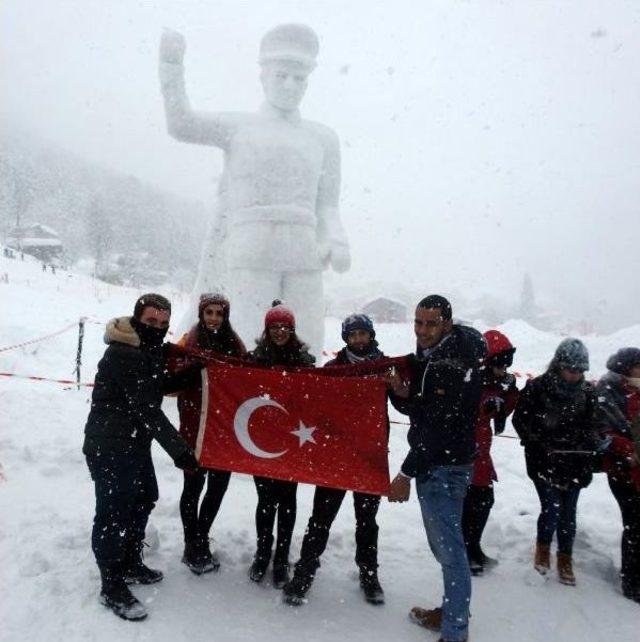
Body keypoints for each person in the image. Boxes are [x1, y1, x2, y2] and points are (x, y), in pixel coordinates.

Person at [159, 24, 350, 355]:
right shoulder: (239, 127)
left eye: (299, 77)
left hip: (304, 248)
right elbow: (181, 123)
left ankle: (300, 399)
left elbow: (327, 204)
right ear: (263, 76)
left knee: (307, 336)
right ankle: (246, 402)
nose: (290, 85)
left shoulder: (323, 138)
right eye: (281, 75)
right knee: (248, 337)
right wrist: (171, 68)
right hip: (252, 244)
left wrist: (336, 237)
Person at [83, 293, 199, 621]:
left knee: (146, 496)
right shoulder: (122, 353)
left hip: (134, 444)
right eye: (151, 322)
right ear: (137, 320)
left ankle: (131, 561)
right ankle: (111, 585)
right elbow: (146, 406)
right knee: (113, 513)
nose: (157, 329)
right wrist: (181, 452)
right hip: (109, 445)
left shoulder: (145, 349)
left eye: (163, 324)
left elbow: (153, 386)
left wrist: (188, 376)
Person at [386, 295, 485, 642]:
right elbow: (424, 411)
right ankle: (452, 612)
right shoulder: (439, 355)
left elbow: (435, 430)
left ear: (447, 324)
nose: (422, 330)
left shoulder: (449, 364)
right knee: (447, 548)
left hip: (443, 466)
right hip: (444, 462)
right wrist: (401, 393)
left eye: (430, 324)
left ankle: (455, 631)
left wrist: (404, 475)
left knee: (450, 550)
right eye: (418, 322)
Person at [283, 314, 387, 606]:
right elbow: (316, 407)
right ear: (346, 338)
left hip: (369, 455)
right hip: (337, 455)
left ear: (371, 334)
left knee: (367, 520)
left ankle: (369, 573)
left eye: (362, 334)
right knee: (320, 518)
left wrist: (395, 386)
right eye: (352, 335)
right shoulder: (333, 368)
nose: (358, 340)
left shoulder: (385, 367)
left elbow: (405, 401)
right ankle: (304, 571)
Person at [512, 338, 601, 586]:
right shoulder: (537, 387)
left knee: (569, 513)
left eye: (579, 371)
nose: (575, 375)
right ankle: (542, 549)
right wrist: (538, 440)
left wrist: (587, 443)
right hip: (545, 461)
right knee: (551, 509)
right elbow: (521, 420)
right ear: (558, 365)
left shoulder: (588, 393)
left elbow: (595, 426)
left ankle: (565, 557)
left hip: (575, 462)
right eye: (570, 370)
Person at [176, 293, 247, 575]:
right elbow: (173, 377)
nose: (214, 318)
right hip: (194, 428)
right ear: (201, 314)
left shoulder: (234, 344)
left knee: (217, 488)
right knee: (192, 487)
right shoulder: (188, 342)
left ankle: (201, 537)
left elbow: (248, 376)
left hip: (223, 431)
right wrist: (192, 368)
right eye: (209, 313)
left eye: (219, 313)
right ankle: (189, 542)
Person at [247, 301, 315, 588]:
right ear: (266, 329)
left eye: (285, 327)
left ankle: (281, 557)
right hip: (262, 442)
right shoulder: (253, 359)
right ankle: (263, 552)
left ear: (293, 329)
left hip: (291, 441)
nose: (279, 332)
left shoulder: (305, 361)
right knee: (265, 501)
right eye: (274, 327)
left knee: (287, 501)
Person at [462, 330, 519, 576]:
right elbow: (460, 413)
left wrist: (509, 394)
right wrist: (484, 408)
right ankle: (465, 549)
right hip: (465, 451)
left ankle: (472, 546)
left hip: (482, 453)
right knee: (471, 502)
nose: (504, 369)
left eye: (508, 363)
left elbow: (504, 412)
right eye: (500, 363)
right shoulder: (470, 379)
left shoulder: (499, 383)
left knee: (483, 501)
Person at [596, 347, 640, 603]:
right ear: (626, 368)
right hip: (623, 470)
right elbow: (603, 430)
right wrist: (627, 449)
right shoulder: (609, 390)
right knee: (635, 524)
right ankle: (632, 580)